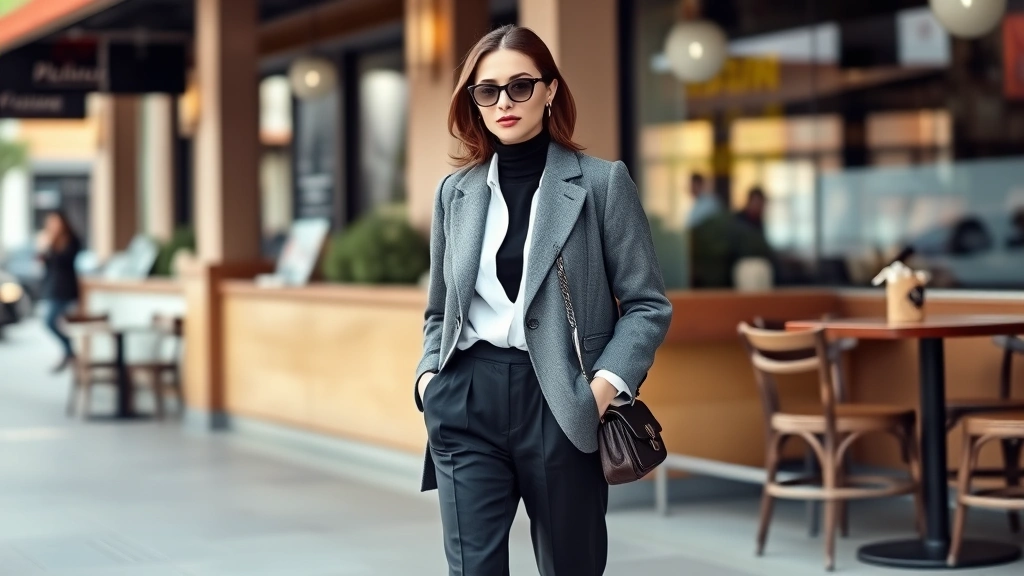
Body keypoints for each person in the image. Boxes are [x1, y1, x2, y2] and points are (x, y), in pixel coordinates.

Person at [413, 25, 672, 576]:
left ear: (550, 89)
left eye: (520, 86)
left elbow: (648, 304)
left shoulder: (602, 184)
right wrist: (429, 381)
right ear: (473, 102)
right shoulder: (453, 193)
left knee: (570, 565)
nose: (503, 102)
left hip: (560, 398)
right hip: (465, 399)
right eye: (487, 91)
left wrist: (598, 393)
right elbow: (440, 309)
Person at [36, 211, 81, 372]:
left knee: (50, 321)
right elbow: (44, 264)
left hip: (65, 288)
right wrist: (42, 250)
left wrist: (48, 247)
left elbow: (64, 261)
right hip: (52, 287)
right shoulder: (50, 241)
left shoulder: (71, 240)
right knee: (52, 321)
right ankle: (69, 352)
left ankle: (70, 351)